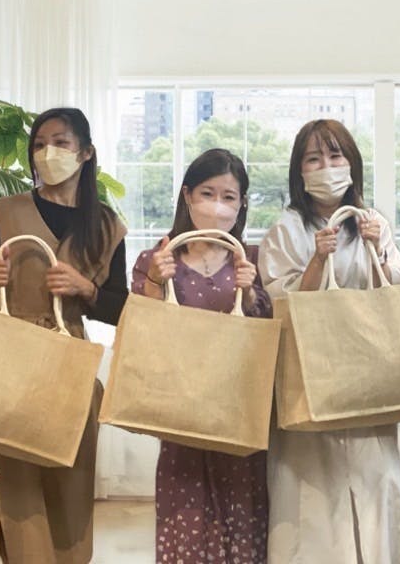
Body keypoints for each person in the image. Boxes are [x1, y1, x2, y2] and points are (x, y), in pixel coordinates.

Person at [0, 107, 128, 564]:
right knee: (15, 488)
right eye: (39, 144)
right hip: (10, 365)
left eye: (60, 142)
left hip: (71, 366)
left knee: (72, 487)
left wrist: (86, 289)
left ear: (86, 153)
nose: (47, 152)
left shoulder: (107, 225)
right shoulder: (3, 212)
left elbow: (120, 307)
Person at [258, 119, 400, 564]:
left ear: (352, 164)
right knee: (310, 487)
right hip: (310, 373)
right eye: (314, 159)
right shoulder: (287, 228)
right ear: (300, 170)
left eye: (335, 156)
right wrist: (316, 259)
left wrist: (378, 249)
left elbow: (398, 294)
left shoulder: (372, 222)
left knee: (375, 477)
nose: (326, 167)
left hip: (369, 372)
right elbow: (281, 305)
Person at [133, 148, 274, 563]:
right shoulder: (157, 259)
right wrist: (155, 283)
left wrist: (250, 292)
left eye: (229, 197)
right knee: (185, 511)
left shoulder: (253, 259)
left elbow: (266, 335)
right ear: (187, 195)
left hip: (238, 408)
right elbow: (142, 331)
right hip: (182, 408)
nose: (217, 205)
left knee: (243, 513)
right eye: (207, 193)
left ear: (242, 204)